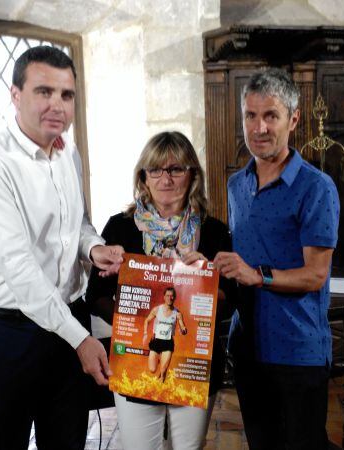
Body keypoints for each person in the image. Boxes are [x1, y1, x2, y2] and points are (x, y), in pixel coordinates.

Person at [0, 46, 124, 450]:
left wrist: (93, 250)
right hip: (9, 333)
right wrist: (81, 340)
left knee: (67, 443)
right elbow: (19, 269)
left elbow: (77, 225)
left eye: (67, 95)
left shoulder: (68, 152)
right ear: (15, 94)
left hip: (67, 319)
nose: (57, 105)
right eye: (44, 91)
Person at [214, 68, 340, 450]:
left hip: (297, 349)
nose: (260, 127)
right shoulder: (237, 184)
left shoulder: (316, 187)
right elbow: (240, 260)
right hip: (249, 345)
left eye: (271, 115)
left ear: (294, 119)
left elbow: (315, 276)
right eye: (250, 116)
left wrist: (258, 276)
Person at [85, 131, 235, 450]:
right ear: (143, 177)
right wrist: (130, 323)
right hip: (136, 358)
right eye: (156, 169)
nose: (165, 178)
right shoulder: (119, 228)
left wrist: (204, 279)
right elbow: (94, 296)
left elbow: (230, 303)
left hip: (194, 363)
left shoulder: (214, 231)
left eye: (175, 169)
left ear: (192, 175)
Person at [142, 286, 188, 382]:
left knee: (163, 372)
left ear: (174, 297)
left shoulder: (177, 313)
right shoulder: (157, 310)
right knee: (152, 369)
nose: (170, 298)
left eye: (172, 296)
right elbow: (147, 320)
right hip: (156, 341)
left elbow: (183, 327)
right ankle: (158, 359)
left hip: (168, 342)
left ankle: (159, 389)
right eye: (168, 295)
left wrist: (184, 330)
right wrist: (145, 333)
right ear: (164, 297)